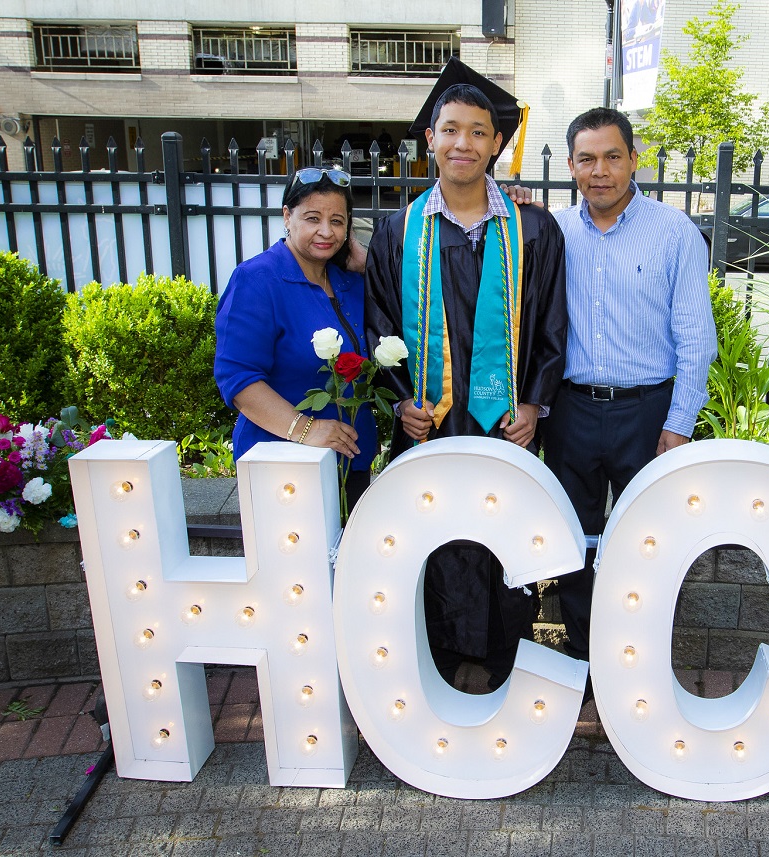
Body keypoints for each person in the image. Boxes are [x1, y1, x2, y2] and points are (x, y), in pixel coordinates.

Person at [365, 83, 568, 690]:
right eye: (450, 129)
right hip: (427, 420)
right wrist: (402, 400)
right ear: (430, 139)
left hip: (507, 420)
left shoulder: (532, 229)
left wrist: (535, 400)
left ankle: (505, 650)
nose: (463, 143)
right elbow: (379, 322)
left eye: (478, 132)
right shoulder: (399, 231)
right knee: (439, 530)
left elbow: (554, 319)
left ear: (497, 143)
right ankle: (443, 654)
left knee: (502, 526)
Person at [542, 107, 717, 665]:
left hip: (647, 413)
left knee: (649, 541)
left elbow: (695, 337)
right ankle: (582, 651)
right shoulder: (554, 233)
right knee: (574, 541)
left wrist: (679, 424)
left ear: (634, 160)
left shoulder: (674, 234)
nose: (600, 171)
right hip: (569, 409)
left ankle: (637, 653)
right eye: (587, 159)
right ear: (570, 165)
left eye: (613, 157)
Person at [214, 167, 376, 509]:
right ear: (287, 216)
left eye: (337, 221)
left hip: (352, 462)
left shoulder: (351, 281)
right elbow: (238, 379)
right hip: (284, 465)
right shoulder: (257, 280)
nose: (326, 231)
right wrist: (307, 429)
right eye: (312, 218)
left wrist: (369, 265)